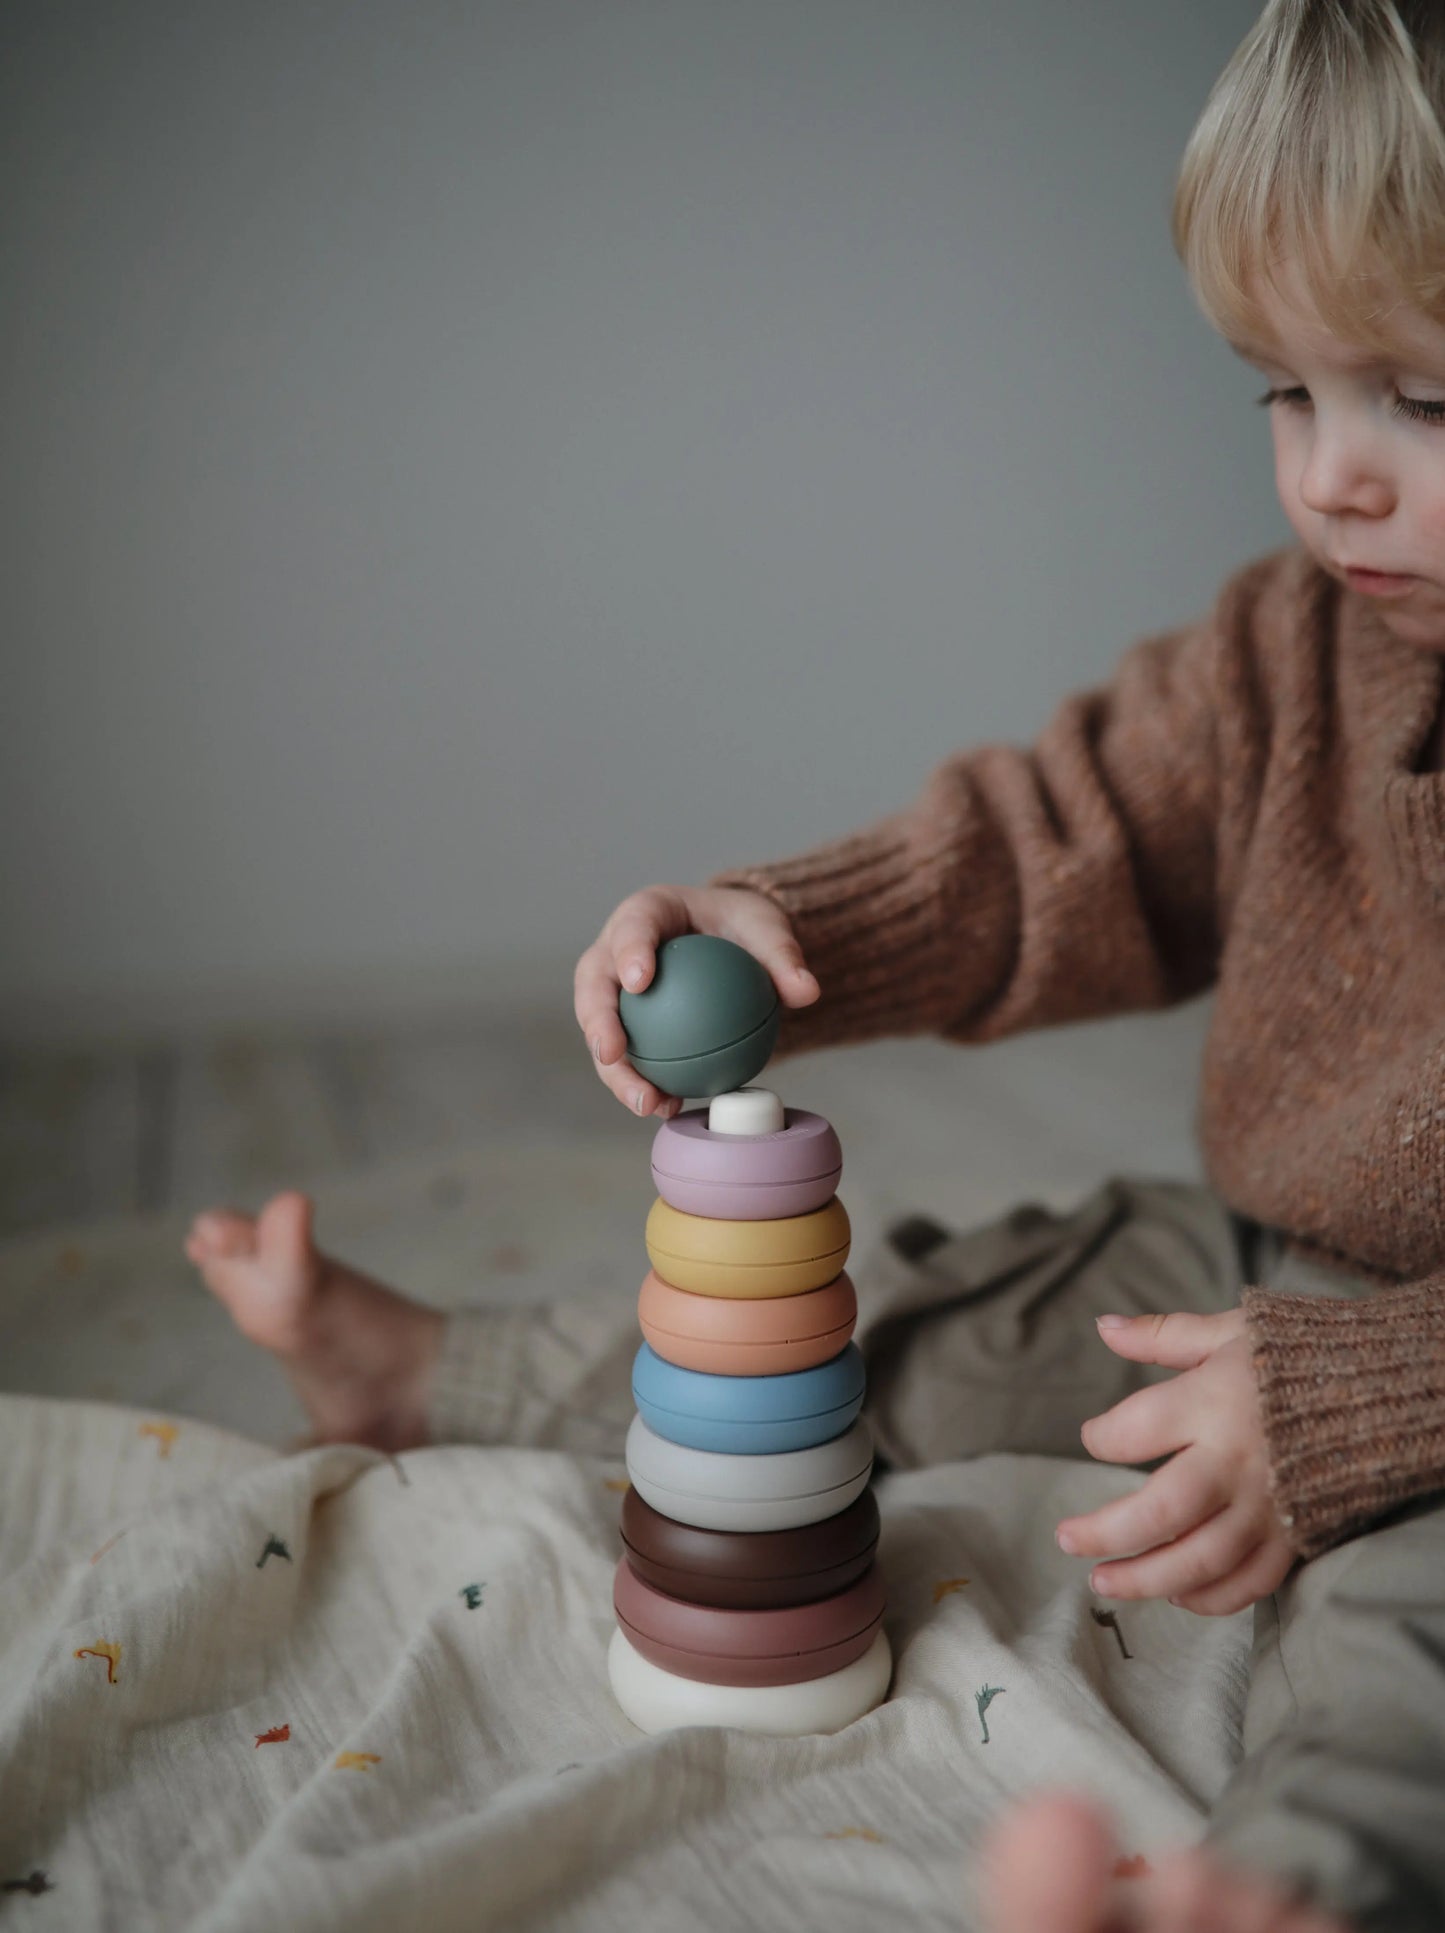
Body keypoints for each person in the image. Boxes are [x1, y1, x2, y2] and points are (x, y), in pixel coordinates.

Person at [187, 3, 1445, 1927]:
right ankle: (440, 1369)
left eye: (1418, 401)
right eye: (1280, 392)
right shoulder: (1296, 647)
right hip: (1244, 1260)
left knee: (1403, 1640)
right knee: (862, 1342)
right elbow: (1052, 844)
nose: (1331, 476)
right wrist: (783, 941)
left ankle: (1285, 1891)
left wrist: (1376, 1396)